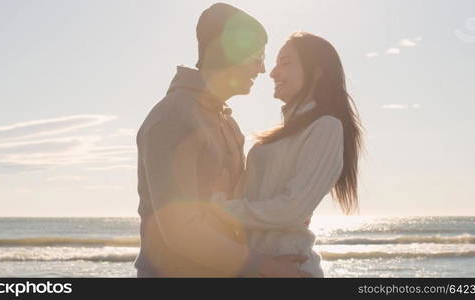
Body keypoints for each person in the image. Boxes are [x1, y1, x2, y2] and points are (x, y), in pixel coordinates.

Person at [135, 3, 309, 277]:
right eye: (257, 56)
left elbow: (233, 210)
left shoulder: (226, 122)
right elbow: (182, 231)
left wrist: (284, 216)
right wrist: (266, 267)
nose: (263, 69)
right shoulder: (174, 118)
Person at [210, 32, 364, 277]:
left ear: (317, 72)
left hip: (291, 267)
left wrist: (220, 209)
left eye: (286, 63)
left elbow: (292, 208)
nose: (273, 72)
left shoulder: (326, 127)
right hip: (261, 267)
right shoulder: (283, 134)